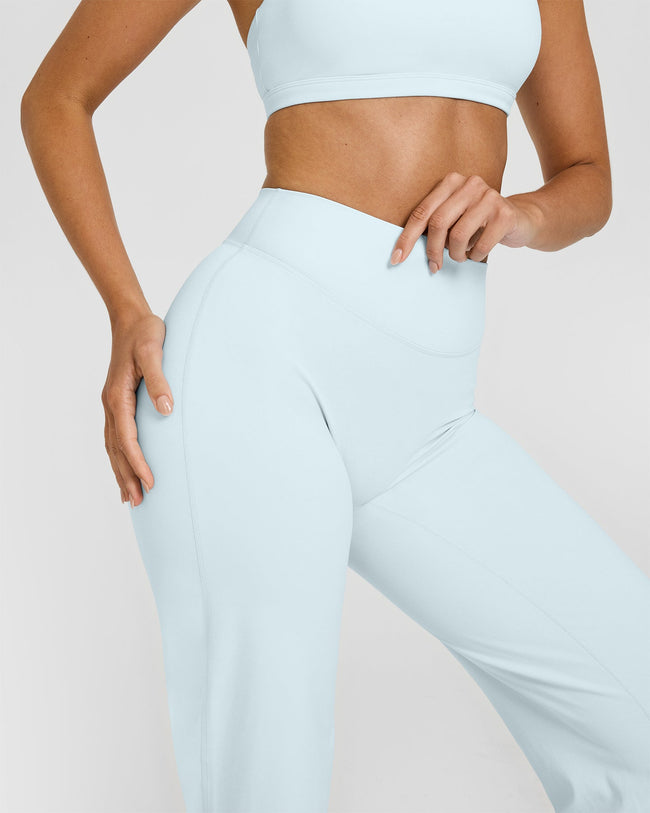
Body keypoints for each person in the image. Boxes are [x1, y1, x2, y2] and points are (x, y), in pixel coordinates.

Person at [20, 0, 650, 811]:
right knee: (266, 778)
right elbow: (56, 97)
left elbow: (588, 175)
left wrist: (522, 213)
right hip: (256, 365)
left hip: (432, 416)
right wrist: (125, 309)